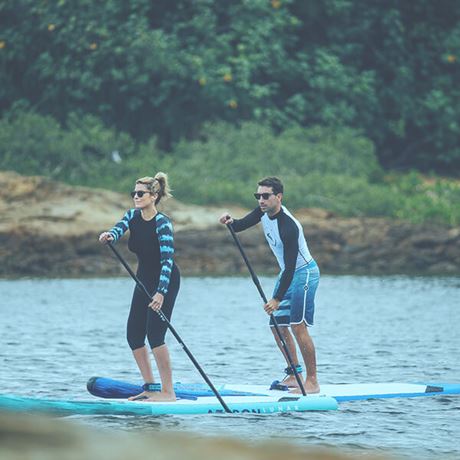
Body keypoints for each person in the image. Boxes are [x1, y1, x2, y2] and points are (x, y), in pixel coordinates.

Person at [219, 177, 320, 394]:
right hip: (288, 273)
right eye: (258, 196)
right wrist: (230, 221)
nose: (261, 200)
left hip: (305, 273)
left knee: (297, 326)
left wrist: (276, 299)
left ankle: (312, 382)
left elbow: (292, 267)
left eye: (266, 196)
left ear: (279, 197)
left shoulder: (289, 226)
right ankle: (294, 374)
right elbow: (239, 226)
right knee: (277, 325)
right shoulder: (262, 212)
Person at [99, 172, 180, 401]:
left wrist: (161, 293)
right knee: (134, 335)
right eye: (133, 193)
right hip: (143, 278)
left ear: (154, 196)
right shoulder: (132, 216)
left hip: (166, 280)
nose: (136, 196)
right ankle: (150, 388)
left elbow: (167, 261)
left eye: (141, 193)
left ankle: (169, 392)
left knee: (155, 335)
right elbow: (118, 229)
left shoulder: (162, 223)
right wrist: (109, 236)